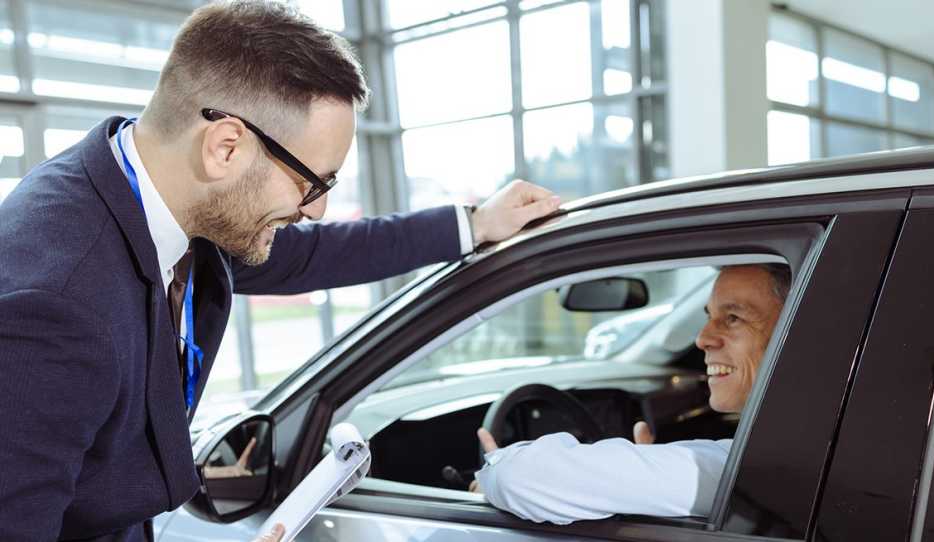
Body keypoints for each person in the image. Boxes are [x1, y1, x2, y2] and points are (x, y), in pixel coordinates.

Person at [0, 2, 559, 540]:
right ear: (225, 147)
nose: (314, 208)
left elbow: (316, 253)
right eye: (311, 183)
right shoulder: (54, 304)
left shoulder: (164, 189)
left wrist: (473, 224)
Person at [471, 264, 790, 525]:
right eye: (708, 317)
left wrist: (494, 470)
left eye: (733, 318)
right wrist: (644, 479)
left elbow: (523, 478)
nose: (702, 338)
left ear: (796, 328)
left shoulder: (754, 468)